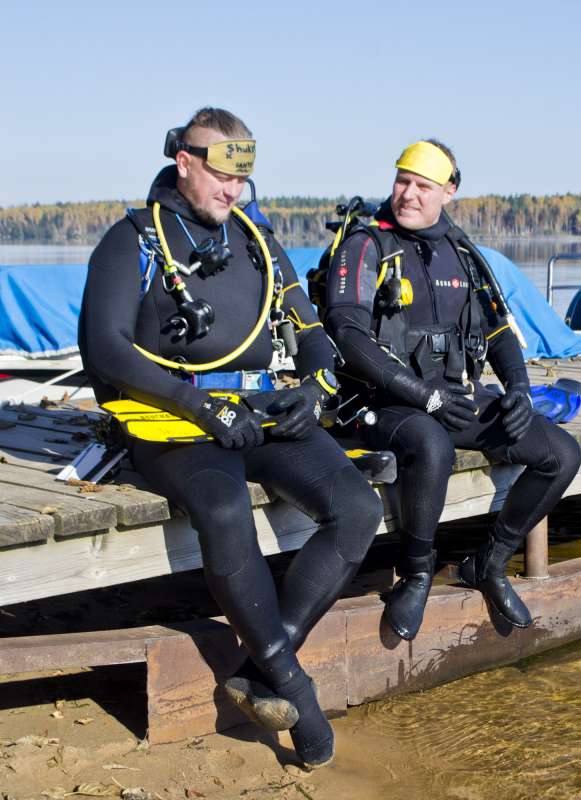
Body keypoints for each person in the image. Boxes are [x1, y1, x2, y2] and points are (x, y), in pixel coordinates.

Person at [79, 108, 383, 768]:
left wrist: (314, 387)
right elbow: (105, 350)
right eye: (221, 175)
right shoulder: (130, 241)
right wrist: (201, 409)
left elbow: (312, 333)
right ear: (183, 161)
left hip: (262, 413)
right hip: (171, 420)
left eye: (242, 178)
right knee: (221, 510)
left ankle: (258, 669)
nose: (233, 191)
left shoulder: (258, 242)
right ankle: (296, 689)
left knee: (359, 507)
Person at [322, 139, 581, 641]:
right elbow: (348, 334)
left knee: (560, 453)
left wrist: (521, 391)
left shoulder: (461, 253)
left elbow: (499, 329)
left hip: (451, 398)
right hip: (380, 404)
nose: (408, 195)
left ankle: (489, 562)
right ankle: (418, 573)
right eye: (402, 181)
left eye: (423, 186)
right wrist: (423, 397)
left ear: (450, 191)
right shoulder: (366, 245)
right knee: (430, 443)